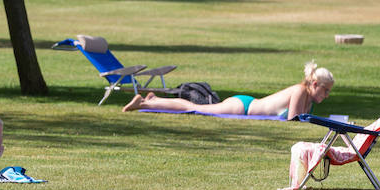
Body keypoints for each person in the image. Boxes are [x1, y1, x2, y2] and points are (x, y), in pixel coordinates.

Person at [122, 61, 334, 120]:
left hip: (246, 104)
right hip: (243, 107)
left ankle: (153, 99)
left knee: (196, 108)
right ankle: (146, 103)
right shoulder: (299, 91)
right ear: (314, 84)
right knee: (194, 108)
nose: (326, 95)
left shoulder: (309, 98)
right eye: (325, 90)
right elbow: (294, 121)